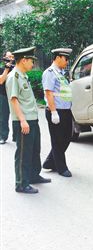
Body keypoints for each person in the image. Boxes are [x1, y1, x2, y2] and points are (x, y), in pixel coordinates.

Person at [5, 47, 51, 194]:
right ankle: (21, 183)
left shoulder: (23, 76)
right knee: (24, 153)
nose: (32, 64)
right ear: (23, 60)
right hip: (23, 121)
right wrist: (23, 120)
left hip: (32, 119)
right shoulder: (14, 77)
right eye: (31, 61)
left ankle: (33, 176)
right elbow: (14, 100)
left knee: (34, 150)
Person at [41, 48, 73, 177]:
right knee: (57, 140)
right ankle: (61, 167)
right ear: (58, 57)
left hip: (66, 110)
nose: (67, 62)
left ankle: (49, 162)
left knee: (67, 138)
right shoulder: (49, 73)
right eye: (66, 59)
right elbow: (48, 93)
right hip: (56, 111)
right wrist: (54, 112)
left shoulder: (61, 72)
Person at [0, 51, 13, 144]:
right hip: (4, 95)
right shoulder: (1, 69)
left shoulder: (16, 68)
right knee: (3, 117)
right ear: (4, 58)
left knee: (18, 116)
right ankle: (3, 136)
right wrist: (7, 68)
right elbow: (1, 81)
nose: (10, 58)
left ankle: (17, 136)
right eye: (8, 57)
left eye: (12, 56)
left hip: (15, 95)